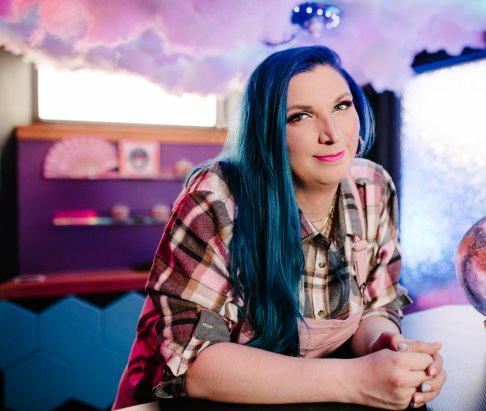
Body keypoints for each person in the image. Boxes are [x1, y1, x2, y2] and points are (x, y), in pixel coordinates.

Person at [113, 45, 446, 410]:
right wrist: (356, 380)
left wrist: (387, 348)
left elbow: (376, 307)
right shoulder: (216, 198)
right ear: (267, 132)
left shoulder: (373, 187)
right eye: (300, 116)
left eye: (341, 106)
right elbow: (195, 364)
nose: (333, 133)